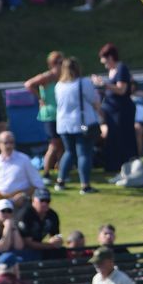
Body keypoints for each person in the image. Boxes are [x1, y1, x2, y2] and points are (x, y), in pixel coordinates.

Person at [54, 55, 101, 193]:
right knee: (84, 154)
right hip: (82, 124)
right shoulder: (83, 82)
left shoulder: (59, 85)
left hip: (63, 124)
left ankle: (60, 181)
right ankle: (85, 185)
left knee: (69, 152)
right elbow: (93, 99)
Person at [92, 43, 137, 172]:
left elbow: (122, 90)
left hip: (122, 110)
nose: (105, 64)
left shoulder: (122, 68)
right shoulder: (111, 70)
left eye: (105, 61)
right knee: (113, 137)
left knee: (124, 137)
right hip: (111, 110)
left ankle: (127, 164)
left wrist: (103, 84)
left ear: (111, 57)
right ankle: (114, 165)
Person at [24, 50, 65, 186]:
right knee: (53, 145)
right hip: (50, 115)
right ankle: (46, 173)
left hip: (61, 114)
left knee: (61, 145)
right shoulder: (47, 76)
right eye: (58, 62)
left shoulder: (64, 76)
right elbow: (28, 84)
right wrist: (40, 98)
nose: (61, 64)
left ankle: (61, 172)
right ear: (52, 64)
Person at [0, 131, 44, 209]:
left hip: (22, 202)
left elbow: (39, 184)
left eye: (11, 142)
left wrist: (24, 194)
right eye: (6, 143)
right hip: (1, 204)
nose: (9, 145)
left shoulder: (24, 159)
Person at [17, 188, 64, 260]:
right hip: (21, 248)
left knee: (60, 252)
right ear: (33, 200)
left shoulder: (52, 215)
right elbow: (28, 243)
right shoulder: (25, 215)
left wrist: (57, 241)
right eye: (41, 200)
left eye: (47, 201)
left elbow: (55, 235)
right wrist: (50, 245)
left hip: (39, 246)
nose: (44, 204)